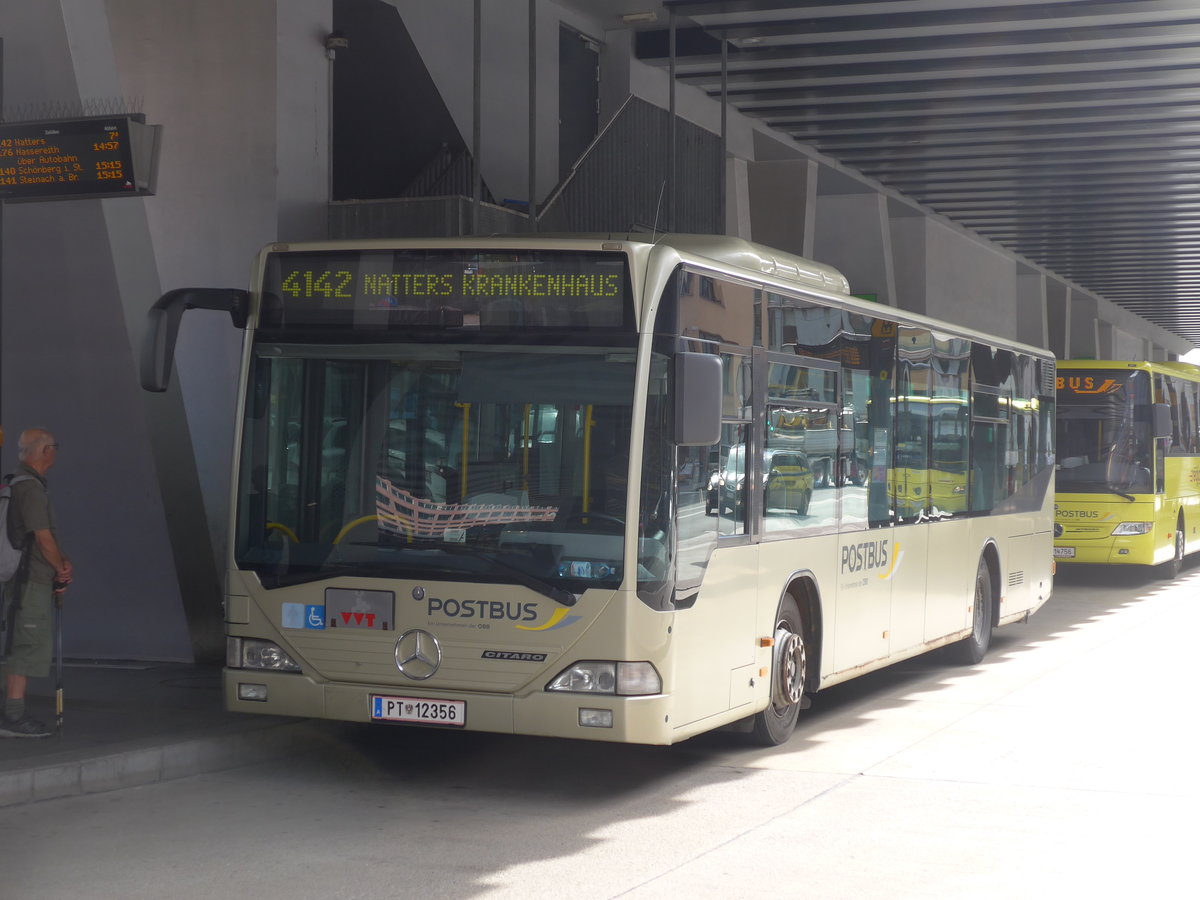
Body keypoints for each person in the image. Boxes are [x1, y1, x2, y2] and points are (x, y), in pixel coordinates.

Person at [0, 428, 72, 738]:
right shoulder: (29, 488)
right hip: (30, 582)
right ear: (44, 451)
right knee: (25, 646)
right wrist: (60, 569)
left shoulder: (23, 483)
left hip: (27, 580)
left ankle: (10, 712)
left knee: (22, 643)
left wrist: (62, 561)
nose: (56, 451)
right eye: (55, 446)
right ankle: (13, 716)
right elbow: (42, 538)